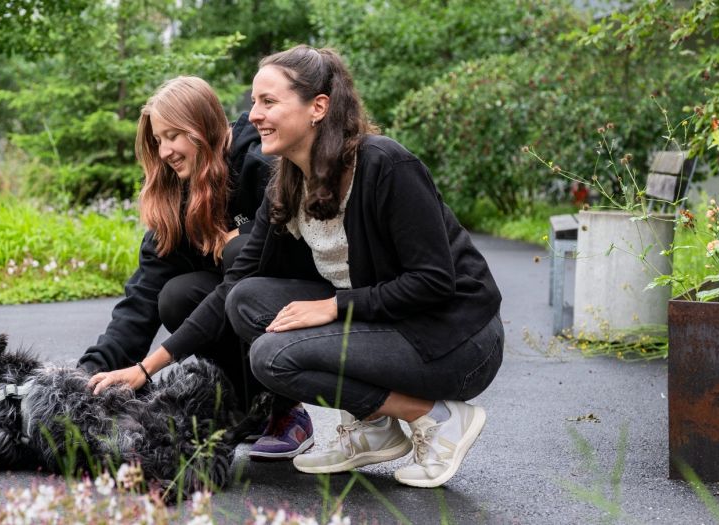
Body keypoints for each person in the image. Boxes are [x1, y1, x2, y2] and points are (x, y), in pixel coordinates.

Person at [149, 45, 505, 488]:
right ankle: (374, 426)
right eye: (255, 102)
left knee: (272, 356)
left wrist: (335, 306)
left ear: (318, 107)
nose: (253, 115)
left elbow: (433, 283)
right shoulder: (287, 183)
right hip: (391, 325)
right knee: (246, 301)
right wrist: (147, 367)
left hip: (457, 338)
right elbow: (232, 288)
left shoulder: (385, 165)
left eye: (268, 102)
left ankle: (438, 417)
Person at [78, 76, 315, 460]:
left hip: (300, 307)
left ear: (203, 127)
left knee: (240, 253)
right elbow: (142, 299)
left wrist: (245, 232)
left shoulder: (259, 165)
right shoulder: (175, 196)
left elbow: (295, 244)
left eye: (174, 135)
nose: (166, 150)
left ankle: (287, 410)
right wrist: (86, 372)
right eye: (158, 140)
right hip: (232, 302)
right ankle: (250, 407)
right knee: (175, 296)